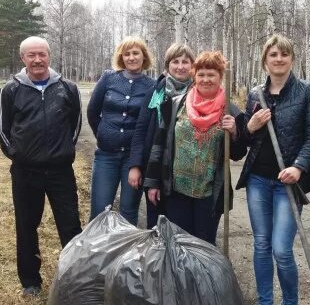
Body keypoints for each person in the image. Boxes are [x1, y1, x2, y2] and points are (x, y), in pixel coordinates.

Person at [237, 34, 310, 305]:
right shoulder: (255, 94)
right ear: (265, 60)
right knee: (261, 245)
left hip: (288, 182)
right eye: (273, 54)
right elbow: (244, 140)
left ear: (292, 59)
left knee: (281, 249)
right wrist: (250, 126)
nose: (278, 59)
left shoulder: (307, 93)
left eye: (284, 54)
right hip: (259, 180)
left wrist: (299, 167)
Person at [0, 36, 83, 297]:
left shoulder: (67, 88)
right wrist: (18, 155)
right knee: (26, 225)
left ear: (49, 56)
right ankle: (30, 281)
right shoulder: (10, 90)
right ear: (23, 59)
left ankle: (74, 278)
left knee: (70, 226)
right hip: (26, 173)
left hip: (60, 172)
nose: (37, 60)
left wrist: (63, 151)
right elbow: (2, 129)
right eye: (31, 55)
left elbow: (75, 125)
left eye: (41, 54)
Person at [144, 51, 246, 244]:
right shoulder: (175, 105)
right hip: (176, 191)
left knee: (204, 244)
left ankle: (204, 275)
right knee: (178, 244)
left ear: (220, 77)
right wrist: (153, 182)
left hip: (209, 193)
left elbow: (238, 154)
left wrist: (234, 133)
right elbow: (159, 145)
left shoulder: (230, 111)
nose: (206, 79)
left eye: (211, 75)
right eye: (201, 74)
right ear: (194, 75)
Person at [87, 37, 156, 225]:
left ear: (144, 57)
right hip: (106, 156)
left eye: (136, 53)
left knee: (128, 212)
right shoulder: (108, 78)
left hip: (133, 160)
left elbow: (150, 124)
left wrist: (139, 159)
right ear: (121, 58)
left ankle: (126, 254)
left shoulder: (152, 86)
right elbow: (93, 112)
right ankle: (97, 253)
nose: (131, 57)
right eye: (127, 54)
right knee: (100, 211)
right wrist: (103, 134)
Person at [127, 42, 196, 228]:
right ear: (167, 66)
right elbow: (140, 131)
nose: (180, 66)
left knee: (181, 229)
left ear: (193, 66)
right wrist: (135, 166)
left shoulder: (199, 93)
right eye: (175, 61)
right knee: (156, 228)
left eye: (185, 61)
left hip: (186, 173)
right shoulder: (155, 93)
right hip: (155, 170)